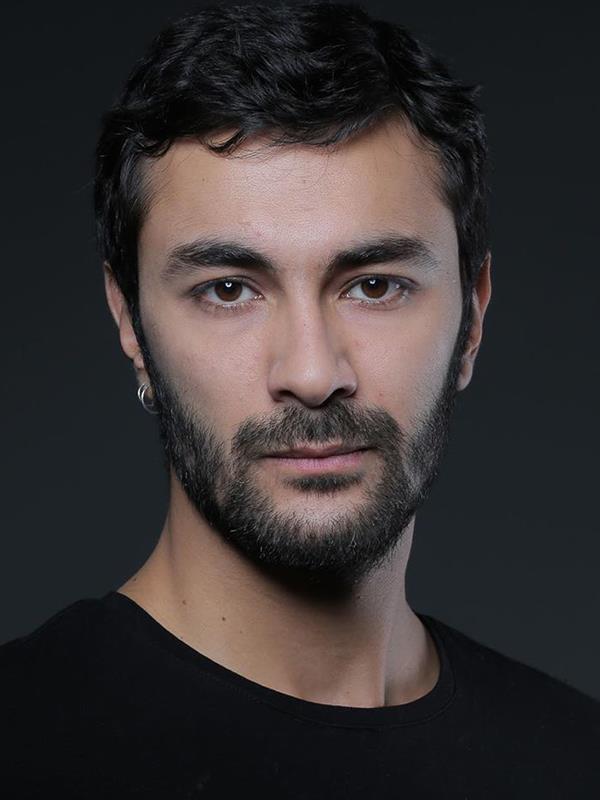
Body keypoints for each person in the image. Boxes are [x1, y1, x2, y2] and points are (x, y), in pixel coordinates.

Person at [2, 2, 598, 797]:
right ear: (130, 323)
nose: (313, 374)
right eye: (228, 290)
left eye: (375, 286)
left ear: (474, 315)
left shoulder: (575, 760)